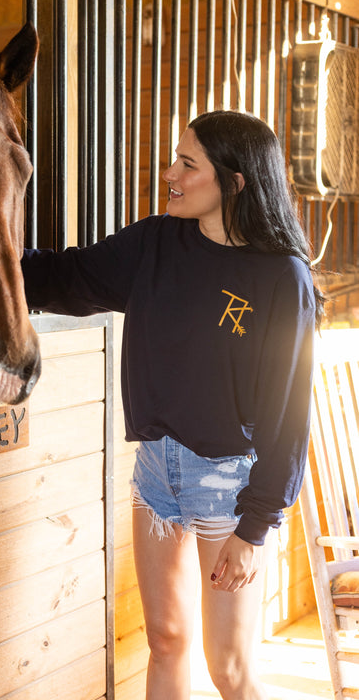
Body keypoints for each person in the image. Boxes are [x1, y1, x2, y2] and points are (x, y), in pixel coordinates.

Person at [21, 109, 322, 700]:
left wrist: (254, 529)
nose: (169, 174)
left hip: (232, 489)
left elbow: (289, 420)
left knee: (229, 670)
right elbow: (66, 275)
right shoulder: (155, 243)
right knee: (164, 641)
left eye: (188, 164)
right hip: (156, 474)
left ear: (235, 182)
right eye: (174, 159)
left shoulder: (283, 279)